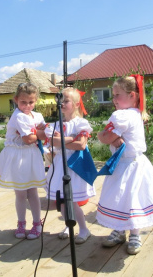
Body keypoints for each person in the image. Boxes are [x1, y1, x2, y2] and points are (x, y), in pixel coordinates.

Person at [96, 75, 153, 255]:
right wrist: (111, 137)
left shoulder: (122, 115)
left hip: (129, 166)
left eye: (117, 95)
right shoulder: (135, 112)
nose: (113, 99)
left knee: (129, 199)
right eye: (113, 95)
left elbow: (106, 137)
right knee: (124, 198)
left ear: (132, 95)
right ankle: (121, 231)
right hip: (131, 163)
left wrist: (102, 135)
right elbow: (112, 137)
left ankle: (132, 234)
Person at [0, 82, 46, 240]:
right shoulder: (18, 116)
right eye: (23, 102)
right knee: (20, 193)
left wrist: (41, 132)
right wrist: (41, 133)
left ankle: (37, 222)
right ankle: (21, 222)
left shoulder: (37, 116)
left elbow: (44, 130)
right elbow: (29, 138)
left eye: (31, 102)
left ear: (36, 100)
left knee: (33, 191)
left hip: (31, 156)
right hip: (19, 157)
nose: (27, 105)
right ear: (16, 99)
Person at [45, 87, 95, 244]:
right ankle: (69, 225)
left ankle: (83, 229)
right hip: (59, 164)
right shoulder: (56, 125)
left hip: (74, 166)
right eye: (60, 101)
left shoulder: (81, 123)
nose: (62, 104)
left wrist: (62, 141)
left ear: (76, 104)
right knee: (63, 200)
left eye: (66, 101)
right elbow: (52, 143)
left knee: (72, 200)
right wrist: (69, 139)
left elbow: (81, 145)